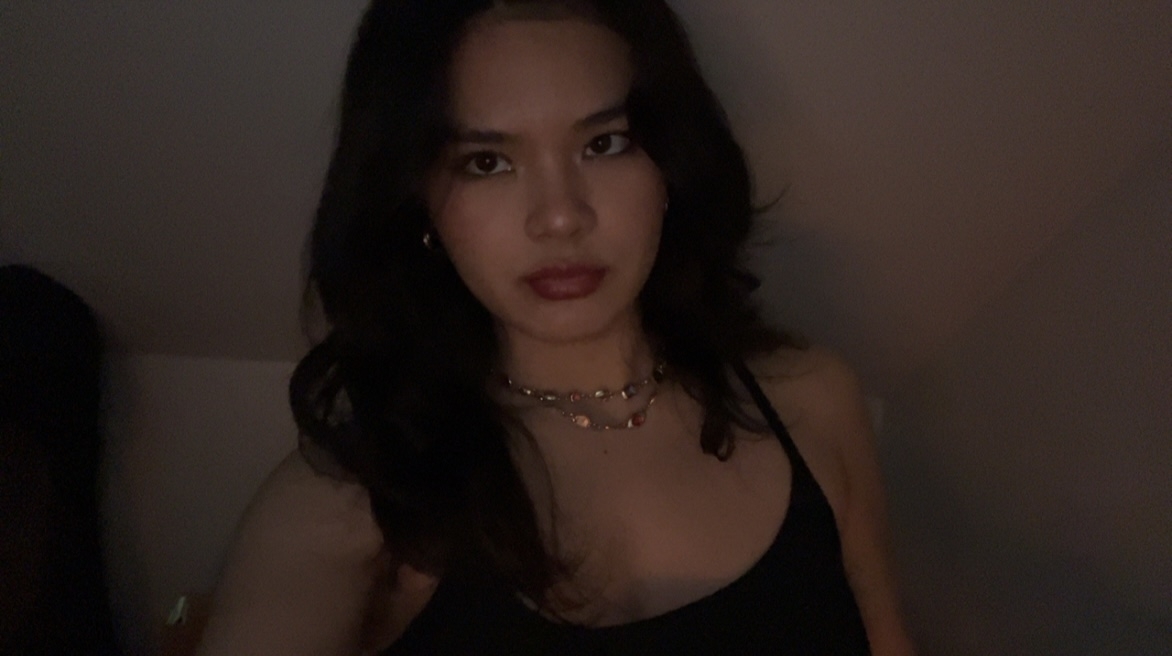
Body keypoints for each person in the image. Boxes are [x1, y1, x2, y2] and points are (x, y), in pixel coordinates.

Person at [198, 0, 914, 653]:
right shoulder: (353, 502)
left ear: (670, 165)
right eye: (486, 162)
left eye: (605, 144)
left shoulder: (813, 399)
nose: (561, 216)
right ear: (418, 200)